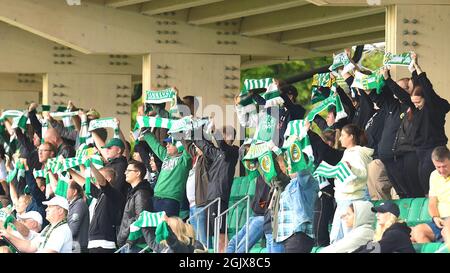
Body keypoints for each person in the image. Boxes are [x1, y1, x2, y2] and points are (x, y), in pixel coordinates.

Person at [193, 125, 239, 253]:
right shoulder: (217, 153)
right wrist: (196, 129)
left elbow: (223, 146)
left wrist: (214, 130)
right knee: (215, 234)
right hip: (210, 197)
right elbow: (204, 146)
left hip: (220, 197)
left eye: (224, 135)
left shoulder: (233, 151)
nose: (221, 138)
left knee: (221, 233)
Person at [329, 124, 373, 244]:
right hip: (343, 200)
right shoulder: (347, 152)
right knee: (336, 238)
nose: (339, 138)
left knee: (348, 240)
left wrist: (351, 168)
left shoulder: (357, 153)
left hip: (352, 201)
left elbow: (363, 174)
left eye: (343, 135)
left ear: (351, 137)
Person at [142, 132, 191, 217]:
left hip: (171, 200)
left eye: (171, 143)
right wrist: (146, 133)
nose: (167, 146)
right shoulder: (166, 157)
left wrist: (184, 134)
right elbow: (156, 146)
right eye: (167, 143)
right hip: (156, 197)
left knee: (166, 228)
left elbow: (188, 146)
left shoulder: (185, 160)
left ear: (179, 145)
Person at [0, 196, 73, 253]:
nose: (46, 209)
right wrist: (8, 236)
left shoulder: (62, 229)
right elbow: (30, 246)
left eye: (50, 207)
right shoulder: (48, 227)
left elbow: (49, 251)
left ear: (60, 211)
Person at [411, 146, 450, 243]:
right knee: (418, 231)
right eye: (438, 167)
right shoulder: (434, 175)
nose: (441, 170)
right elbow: (432, 202)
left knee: (446, 232)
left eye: (445, 166)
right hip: (440, 221)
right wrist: (435, 217)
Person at [117, 160, 153, 253]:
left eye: (129, 171)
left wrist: (130, 241)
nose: (125, 173)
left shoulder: (141, 193)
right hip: (130, 243)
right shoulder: (134, 193)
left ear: (138, 173)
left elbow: (140, 219)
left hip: (135, 244)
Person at [67, 181, 89, 253]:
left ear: (74, 191)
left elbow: (73, 229)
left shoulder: (79, 204)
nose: (65, 191)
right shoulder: (74, 204)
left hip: (78, 247)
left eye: (67, 188)